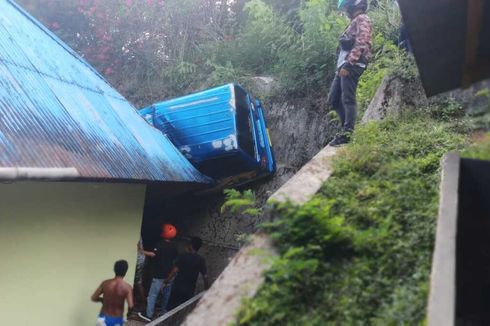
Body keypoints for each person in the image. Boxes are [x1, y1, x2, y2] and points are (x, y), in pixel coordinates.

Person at [327, 0, 372, 146]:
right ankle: (346, 129)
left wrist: (349, 63)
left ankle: (347, 134)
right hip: (343, 66)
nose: (346, 11)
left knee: (348, 99)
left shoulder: (362, 18)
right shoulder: (354, 21)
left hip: (352, 64)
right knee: (333, 99)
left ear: (354, 5)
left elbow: (362, 41)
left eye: (346, 7)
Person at [138, 224, 178, 322]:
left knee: (152, 295)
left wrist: (141, 251)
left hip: (159, 275)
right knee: (166, 294)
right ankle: (163, 313)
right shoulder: (174, 246)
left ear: (164, 233)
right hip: (169, 275)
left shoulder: (160, 244)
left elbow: (153, 254)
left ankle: (148, 315)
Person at [167, 236, 210, 310]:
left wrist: (167, 281)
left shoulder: (182, 256)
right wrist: (207, 288)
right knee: (184, 309)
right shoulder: (201, 260)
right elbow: (205, 276)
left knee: (171, 308)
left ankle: (169, 321)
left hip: (177, 287)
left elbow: (174, 270)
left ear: (191, 245)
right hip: (189, 289)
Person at [91, 260, 134, 326]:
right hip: (117, 319)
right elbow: (131, 305)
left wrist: (102, 300)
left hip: (103, 318)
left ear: (114, 270)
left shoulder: (105, 283)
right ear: (125, 271)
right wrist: (128, 315)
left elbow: (94, 298)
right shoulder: (127, 287)